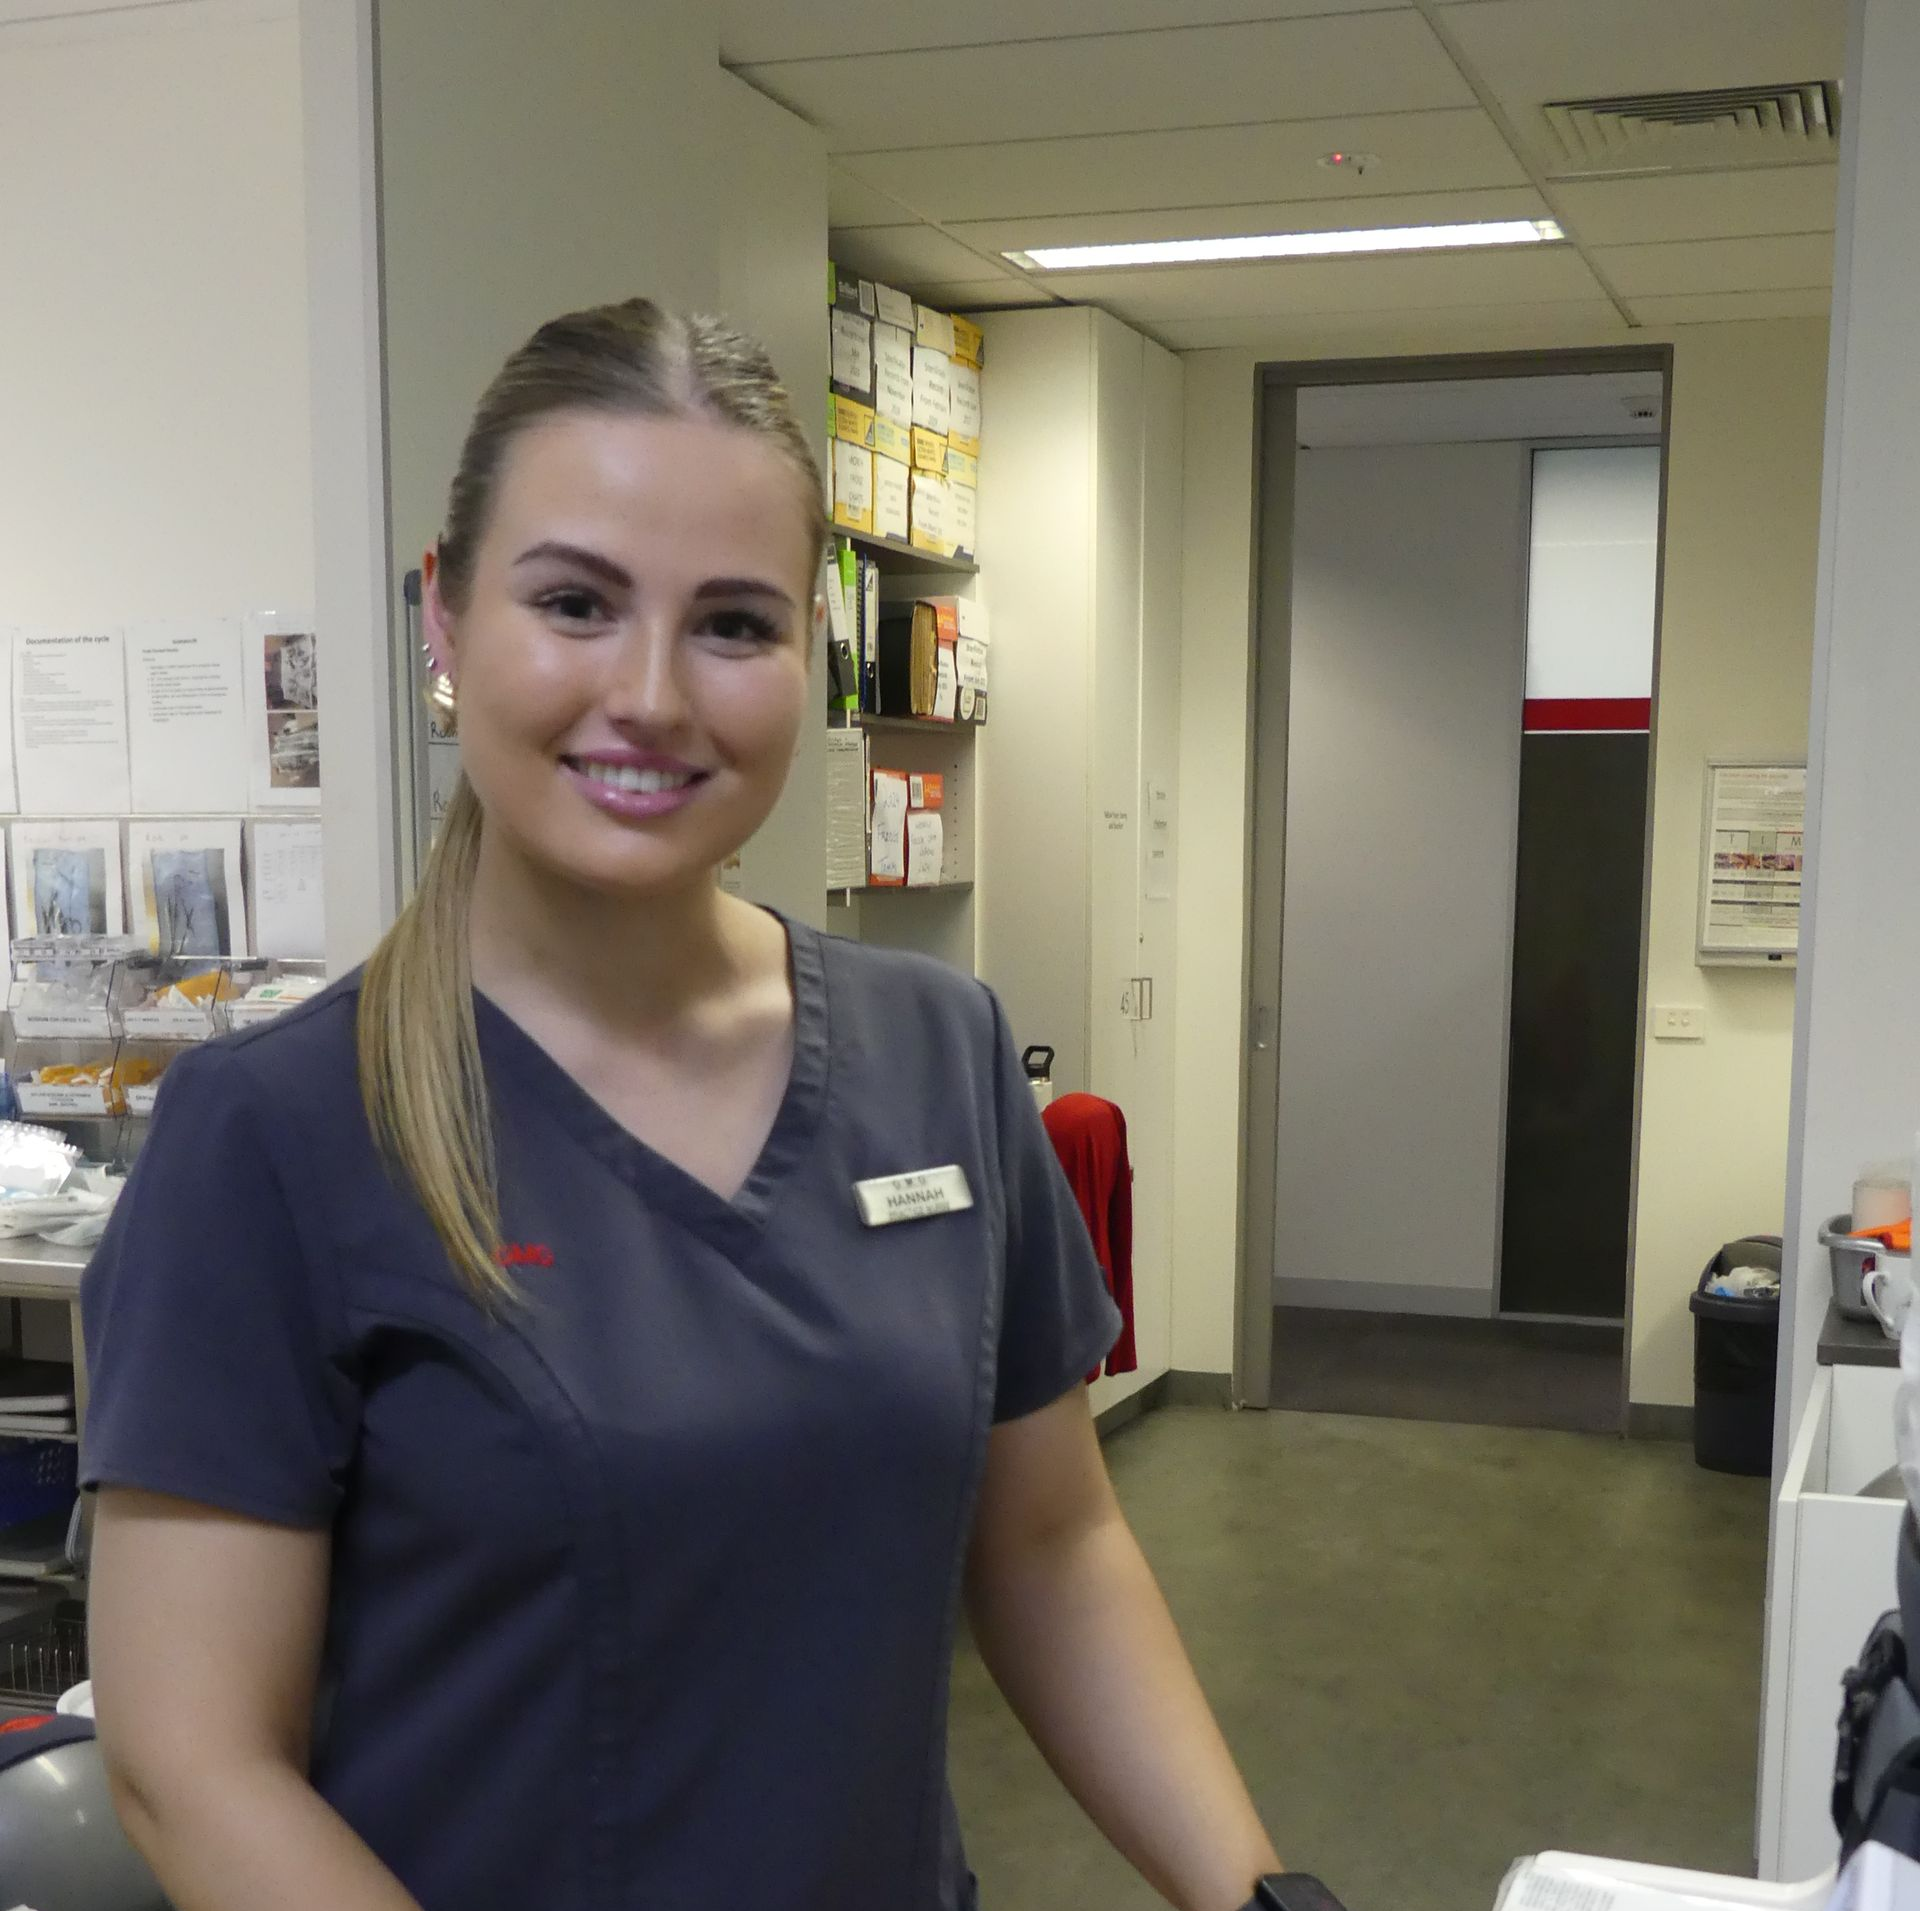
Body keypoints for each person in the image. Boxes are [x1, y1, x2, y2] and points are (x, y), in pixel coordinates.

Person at [81, 299, 1306, 1911]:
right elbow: (193, 1761)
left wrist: (1261, 1895)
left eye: (734, 624)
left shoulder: (937, 1051)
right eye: (576, 601)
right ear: (442, 618)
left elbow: (1051, 1547)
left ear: (807, 649)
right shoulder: (279, 1135)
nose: (652, 694)